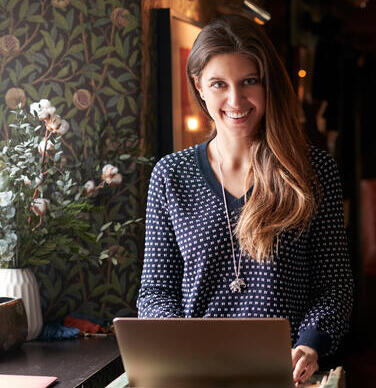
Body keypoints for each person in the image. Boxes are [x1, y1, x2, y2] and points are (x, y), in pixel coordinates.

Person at [136, 14, 354, 385]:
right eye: (219, 84)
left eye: (249, 81)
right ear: (199, 87)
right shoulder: (170, 175)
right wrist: (177, 344)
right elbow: (155, 290)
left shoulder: (313, 171)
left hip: (288, 377)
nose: (236, 100)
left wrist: (310, 345)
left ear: (268, 85)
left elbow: (335, 287)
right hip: (195, 376)